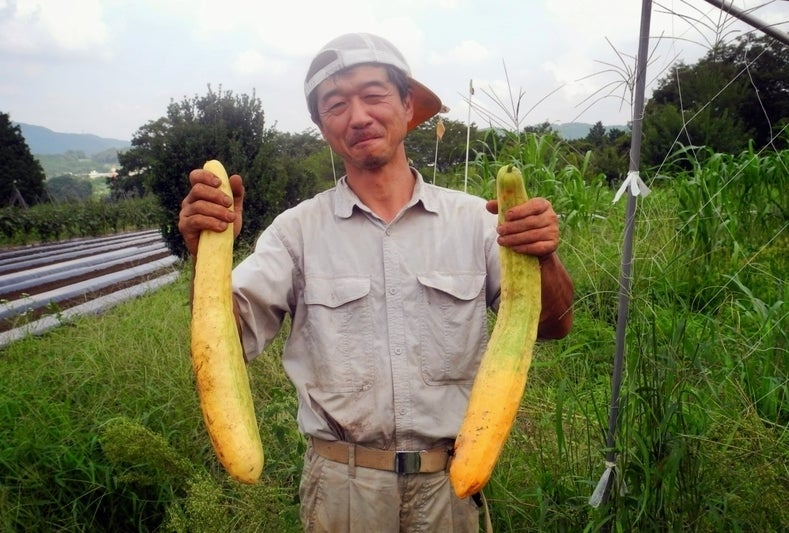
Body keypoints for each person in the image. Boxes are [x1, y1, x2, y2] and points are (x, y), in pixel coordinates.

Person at [178, 32, 573, 532]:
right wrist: (208, 259)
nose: (358, 116)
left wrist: (542, 256)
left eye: (373, 95)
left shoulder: (478, 222)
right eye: (336, 104)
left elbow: (553, 326)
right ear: (322, 126)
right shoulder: (295, 233)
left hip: (452, 484)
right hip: (342, 492)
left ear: (407, 106)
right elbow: (224, 344)